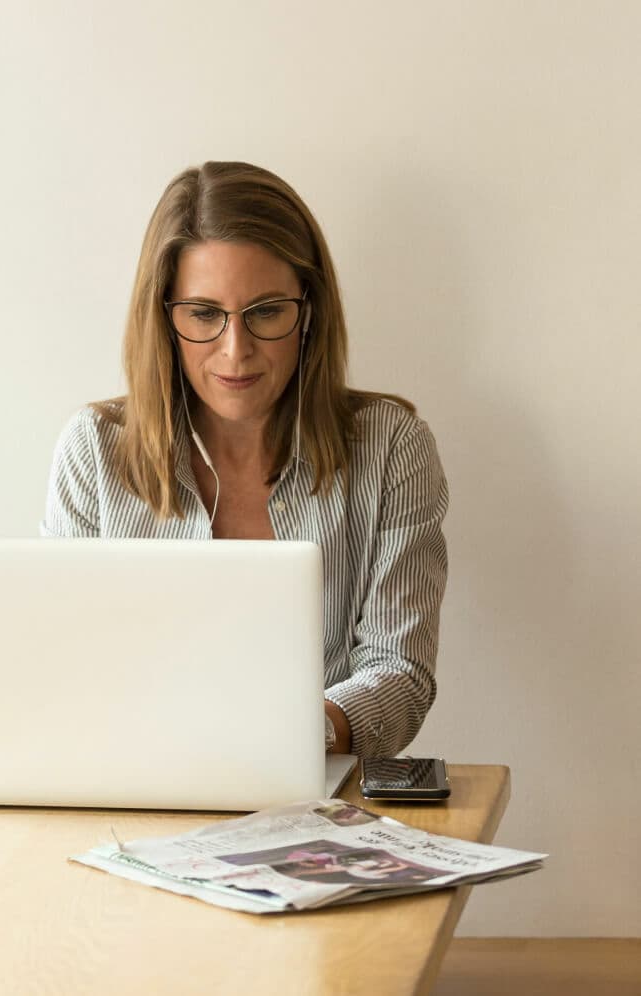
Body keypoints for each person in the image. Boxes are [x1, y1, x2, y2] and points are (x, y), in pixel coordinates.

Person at [42, 161, 448, 757]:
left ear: (308, 311)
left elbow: (401, 673)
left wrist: (293, 736)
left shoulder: (390, 447)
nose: (236, 351)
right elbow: (64, 670)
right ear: (164, 317)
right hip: (133, 792)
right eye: (204, 314)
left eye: (265, 312)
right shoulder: (93, 450)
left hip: (319, 803)